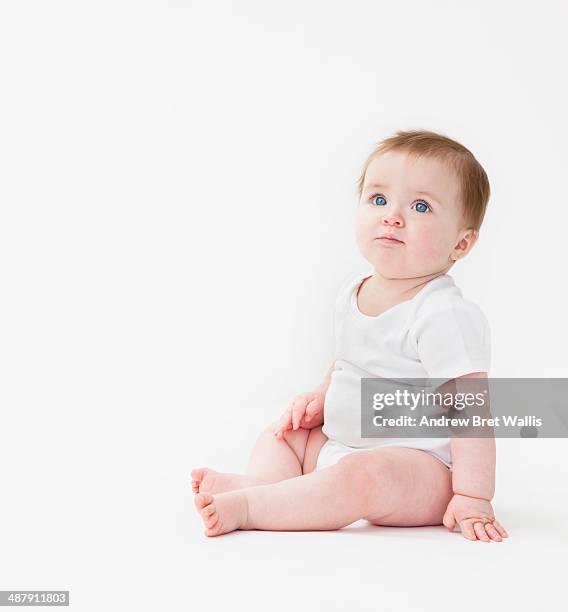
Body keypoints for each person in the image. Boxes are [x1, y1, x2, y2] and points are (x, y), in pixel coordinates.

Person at [190, 129, 509, 542]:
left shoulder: (442, 313)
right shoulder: (352, 293)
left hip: (420, 471)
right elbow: (349, 361)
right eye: (379, 200)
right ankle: (267, 484)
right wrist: (322, 397)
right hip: (343, 442)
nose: (392, 216)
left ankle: (254, 507)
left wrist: (472, 494)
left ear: (461, 243)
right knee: (284, 435)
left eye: (420, 206)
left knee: (363, 476)